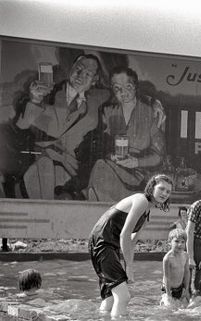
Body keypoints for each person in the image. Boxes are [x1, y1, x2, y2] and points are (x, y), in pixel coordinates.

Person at [17, 54, 109, 200]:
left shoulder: (98, 102)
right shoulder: (47, 92)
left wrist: (154, 102)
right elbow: (22, 125)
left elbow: (126, 94)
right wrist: (35, 99)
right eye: (78, 69)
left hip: (70, 170)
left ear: (95, 80)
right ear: (71, 68)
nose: (80, 76)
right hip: (38, 162)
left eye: (88, 74)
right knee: (43, 165)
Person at [88, 174, 173, 318]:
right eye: (161, 189)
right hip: (102, 243)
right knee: (123, 296)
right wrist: (129, 267)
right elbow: (125, 234)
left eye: (168, 191)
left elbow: (132, 242)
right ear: (152, 187)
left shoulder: (147, 214)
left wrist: (129, 267)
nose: (164, 193)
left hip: (110, 246)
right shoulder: (141, 201)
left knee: (110, 298)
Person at [88, 66, 166, 202]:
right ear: (112, 89)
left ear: (135, 86)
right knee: (100, 167)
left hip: (139, 175)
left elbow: (158, 156)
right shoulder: (107, 111)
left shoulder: (150, 112)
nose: (123, 93)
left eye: (128, 87)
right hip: (112, 167)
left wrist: (137, 162)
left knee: (100, 171)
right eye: (117, 88)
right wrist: (110, 155)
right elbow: (98, 144)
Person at [161, 228, 190, 306]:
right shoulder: (167, 259)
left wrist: (186, 289)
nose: (180, 244)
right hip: (168, 289)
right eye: (176, 241)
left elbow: (187, 272)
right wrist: (168, 295)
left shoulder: (186, 256)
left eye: (182, 242)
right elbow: (166, 277)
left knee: (185, 307)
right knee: (169, 307)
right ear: (169, 242)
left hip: (180, 287)